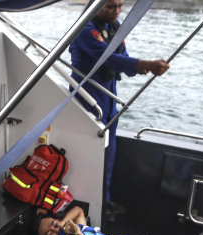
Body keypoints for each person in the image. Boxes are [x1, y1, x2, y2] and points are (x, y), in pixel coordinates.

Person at [69, 0, 169, 221]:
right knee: (91, 152)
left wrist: (140, 67)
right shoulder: (85, 29)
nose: (116, 11)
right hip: (89, 97)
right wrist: (146, 63)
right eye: (110, 6)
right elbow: (109, 58)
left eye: (120, 6)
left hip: (108, 98)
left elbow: (122, 56)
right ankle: (88, 203)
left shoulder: (115, 27)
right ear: (96, 6)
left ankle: (104, 199)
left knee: (109, 153)